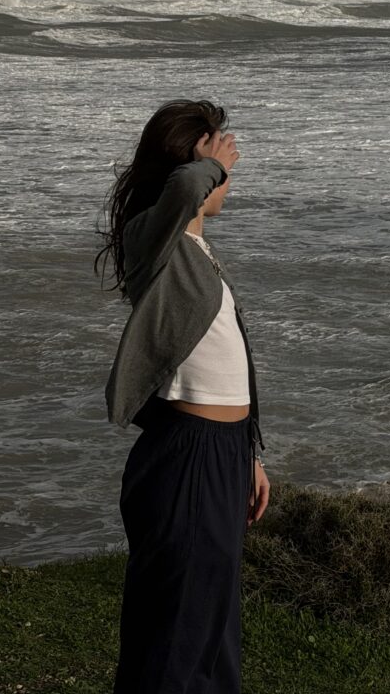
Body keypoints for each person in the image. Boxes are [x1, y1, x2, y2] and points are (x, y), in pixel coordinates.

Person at [95, 98, 269, 694]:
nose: (228, 180)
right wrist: (207, 164)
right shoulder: (151, 241)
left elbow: (222, 366)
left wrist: (250, 451)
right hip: (185, 453)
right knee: (178, 628)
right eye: (221, 164)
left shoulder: (197, 254)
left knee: (213, 622)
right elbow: (185, 189)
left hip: (220, 453)